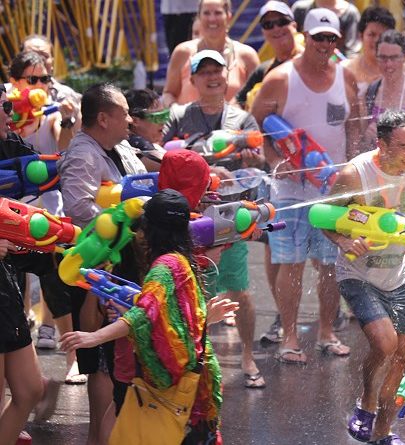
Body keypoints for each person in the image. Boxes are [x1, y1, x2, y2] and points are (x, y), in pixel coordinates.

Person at [60, 189, 229, 444]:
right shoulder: (182, 260)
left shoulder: (164, 267)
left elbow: (143, 314)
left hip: (168, 384)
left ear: (151, 229)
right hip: (191, 380)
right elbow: (168, 315)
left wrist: (94, 337)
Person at [324, 110, 405, 445]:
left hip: (397, 275)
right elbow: (323, 217)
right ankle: (366, 402)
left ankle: (383, 431)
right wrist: (344, 241)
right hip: (357, 274)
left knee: (404, 354)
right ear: (382, 145)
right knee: (386, 343)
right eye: (404, 146)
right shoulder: (355, 174)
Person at [251, 8, 360, 365]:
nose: (325, 45)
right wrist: (274, 161)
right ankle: (290, 337)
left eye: (331, 38)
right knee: (291, 262)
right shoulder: (280, 79)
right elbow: (259, 125)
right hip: (290, 190)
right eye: (318, 38)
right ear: (306, 37)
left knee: (329, 264)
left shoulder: (345, 75)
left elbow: (355, 125)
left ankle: (327, 332)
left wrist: (353, 170)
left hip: (332, 188)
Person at [162, 49, 267, 389]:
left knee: (239, 290)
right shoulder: (179, 116)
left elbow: (259, 164)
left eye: (217, 71)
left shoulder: (242, 120)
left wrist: (251, 159)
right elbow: (163, 157)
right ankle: (199, 361)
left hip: (231, 216)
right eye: (204, 72)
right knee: (193, 290)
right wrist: (205, 170)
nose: (212, 77)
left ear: (227, 77)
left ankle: (248, 357)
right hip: (190, 216)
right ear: (192, 79)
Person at [57, 83, 148, 445]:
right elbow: (79, 208)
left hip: (126, 262)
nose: (131, 119)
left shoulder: (120, 146)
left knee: (122, 358)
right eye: (124, 113)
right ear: (103, 118)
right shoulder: (82, 155)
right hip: (98, 267)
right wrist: (125, 221)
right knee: (102, 362)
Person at [0, 83, 62, 441]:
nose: (10, 113)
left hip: (5, 285)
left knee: (29, 390)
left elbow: (54, 166)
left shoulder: (10, 145)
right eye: (3, 107)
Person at [162, 0, 259, 106]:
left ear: (228, 17)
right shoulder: (182, 52)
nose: (212, 19)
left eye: (218, 13)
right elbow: (168, 93)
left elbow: (258, 96)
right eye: (206, 13)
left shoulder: (247, 56)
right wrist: (176, 110)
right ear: (199, 17)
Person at [235, 1, 304, 109]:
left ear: (294, 26)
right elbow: (237, 102)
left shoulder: (310, 60)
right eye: (268, 25)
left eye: (282, 22)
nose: (276, 28)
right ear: (263, 33)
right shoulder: (263, 70)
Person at [343, 6, 405, 97]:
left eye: (383, 35)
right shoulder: (349, 71)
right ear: (360, 36)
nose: (377, 40)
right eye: (372, 35)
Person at [292, 0, 362, 57]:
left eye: (332, 38)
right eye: (317, 37)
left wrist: (335, 61)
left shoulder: (351, 13)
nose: (324, 43)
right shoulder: (300, 8)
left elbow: (351, 53)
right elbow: (290, 40)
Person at [125, 89, 168, 172]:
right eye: (157, 117)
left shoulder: (147, 144)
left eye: (164, 115)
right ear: (135, 121)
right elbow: (174, 167)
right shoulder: (135, 144)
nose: (163, 122)